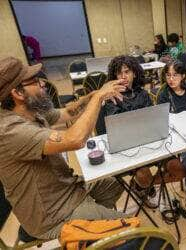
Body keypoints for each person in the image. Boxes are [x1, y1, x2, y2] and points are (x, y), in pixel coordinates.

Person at [0, 57, 128, 240]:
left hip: (67, 191)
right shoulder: (10, 131)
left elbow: (68, 113)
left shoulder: (30, 111)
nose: (43, 85)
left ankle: (93, 232)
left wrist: (93, 95)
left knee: (115, 184)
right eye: (36, 81)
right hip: (54, 215)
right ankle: (90, 232)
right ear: (18, 93)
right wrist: (98, 98)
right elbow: (75, 139)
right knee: (141, 233)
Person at [95, 55, 157, 206]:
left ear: (134, 73)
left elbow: (152, 118)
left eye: (127, 72)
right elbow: (116, 125)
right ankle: (142, 186)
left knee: (176, 167)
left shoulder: (143, 94)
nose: (123, 77)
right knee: (144, 175)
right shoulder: (112, 97)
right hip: (125, 143)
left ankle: (141, 186)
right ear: (114, 76)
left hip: (146, 139)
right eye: (119, 73)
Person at [157, 61, 186, 211]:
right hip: (174, 134)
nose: (171, 79)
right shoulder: (164, 94)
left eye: (175, 75)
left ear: (183, 76)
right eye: (168, 75)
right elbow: (162, 120)